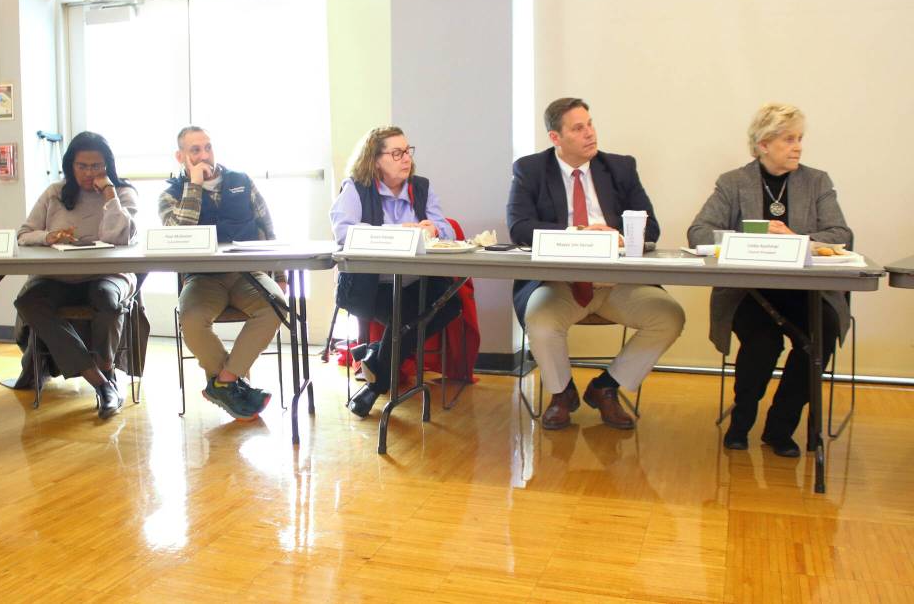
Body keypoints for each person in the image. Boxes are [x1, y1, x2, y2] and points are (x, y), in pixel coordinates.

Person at [507, 97, 685, 430]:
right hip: (561, 285)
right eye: (578, 128)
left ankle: (606, 387)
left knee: (668, 316)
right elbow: (519, 227)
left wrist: (617, 234)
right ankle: (561, 393)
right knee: (540, 321)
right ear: (555, 138)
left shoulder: (619, 167)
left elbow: (652, 228)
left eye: (590, 124)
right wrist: (578, 232)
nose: (590, 133)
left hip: (618, 284)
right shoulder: (530, 170)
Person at [687, 103, 852, 456]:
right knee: (763, 344)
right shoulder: (733, 182)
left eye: (800, 138)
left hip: (807, 292)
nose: (798, 147)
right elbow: (698, 232)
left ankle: (780, 428)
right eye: (788, 139)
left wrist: (796, 238)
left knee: (817, 341)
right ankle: (741, 422)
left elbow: (842, 234)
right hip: (751, 292)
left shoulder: (817, 181)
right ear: (763, 144)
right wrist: (751, 238)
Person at [330, 126, 463, 418]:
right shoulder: (356, 188)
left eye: (407, 151)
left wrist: (435, 228)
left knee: (451, 304)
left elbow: (448, 229)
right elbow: (343, 232)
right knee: (408, 315)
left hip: (416, 283)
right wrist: (396, 233)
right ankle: (376, 385)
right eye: (396, 153)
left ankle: (375, 361)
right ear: (375, 160)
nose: (406, 159)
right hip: (370, 286)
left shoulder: (422, 188)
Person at [159, 125, 287, 422]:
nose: (205, 155)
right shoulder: (170, 195)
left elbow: (268, 229)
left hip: (247, 272)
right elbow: (178, 232)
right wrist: (193, 186)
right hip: (202, 278)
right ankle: (233, 386)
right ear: (181, 156)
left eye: (208, 147)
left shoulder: (241, 181)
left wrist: (280, 274)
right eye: (195, 150)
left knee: (277, 306)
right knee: (190, 319)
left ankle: (224, 381)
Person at [14, 131, 138, 419]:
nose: (89, 172)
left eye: (96, 166)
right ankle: (100, 381)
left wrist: (108, 194)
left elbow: (119, 236)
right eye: (82, 166)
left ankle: (107, 370)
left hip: (109, 274)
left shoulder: (123, 192)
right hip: (60, 275)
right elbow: (23, 234)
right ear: (71, 165)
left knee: (106, 298)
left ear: (107, 165)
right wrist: (48, 236)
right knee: (29, 301)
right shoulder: (54, 193)